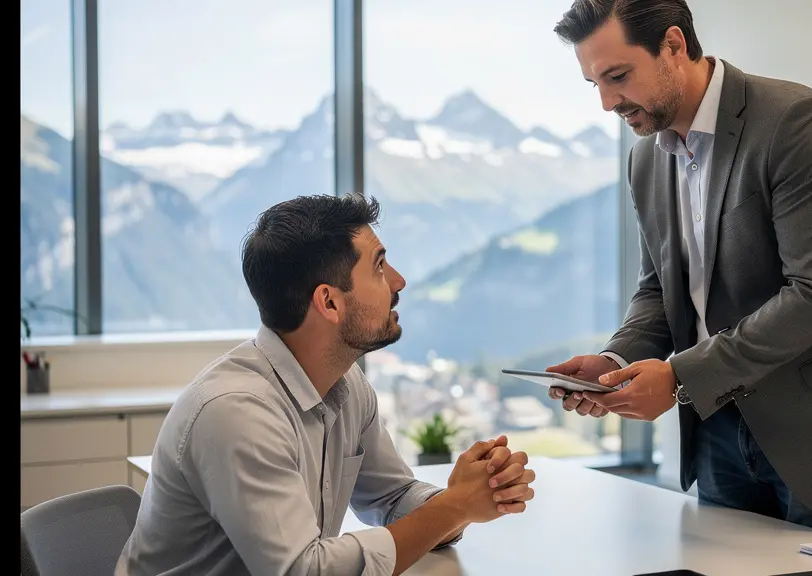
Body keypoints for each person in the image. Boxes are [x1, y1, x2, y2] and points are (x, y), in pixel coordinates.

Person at [545, 0, 812, 538]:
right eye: (596, 84)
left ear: (674, 45)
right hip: (717, 429)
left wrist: (682, 376)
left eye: (618, 76)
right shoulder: (644, 159)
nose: (609, 102)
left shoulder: (795, 122)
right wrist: (614, 361)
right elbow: (660, 289)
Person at [116, 194, 537, 575]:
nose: (398, 281)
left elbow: (392, 498)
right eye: (379, 265)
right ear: (329, 302)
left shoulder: (346, 385)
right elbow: (305, 571)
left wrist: (468, 495)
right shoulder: (236, 412)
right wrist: (453, 507)